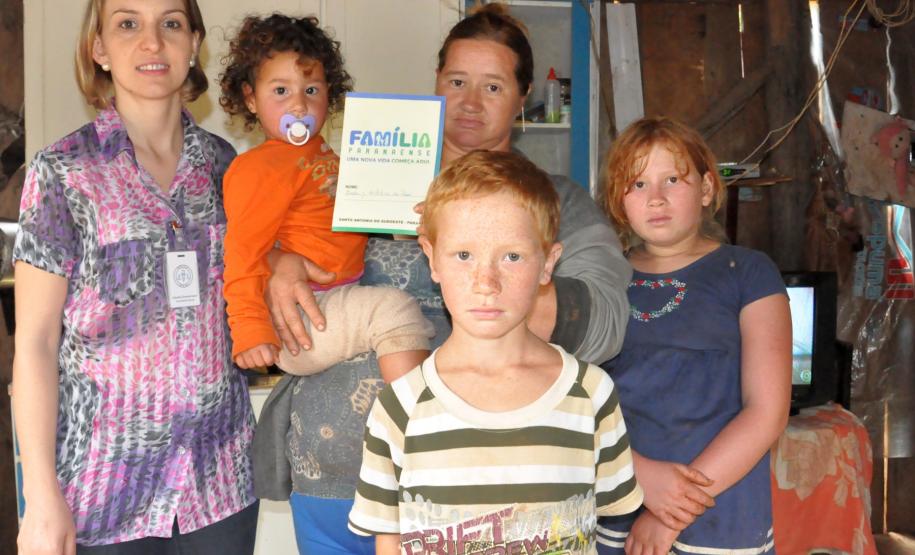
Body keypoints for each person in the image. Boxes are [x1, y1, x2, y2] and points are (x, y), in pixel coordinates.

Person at [257, 4, 639, 553]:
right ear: (435, 83)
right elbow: (262, 251)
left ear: (524, 96)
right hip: (330, 477)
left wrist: (484, 248)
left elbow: (607, 325)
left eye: (492, 86)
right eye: (456, 80)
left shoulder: (559, 202)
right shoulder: (361, 176)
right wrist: (281, 262)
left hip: (475, 488)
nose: (468, 101)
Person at [12, 0, 258, 553]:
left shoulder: (230, 169)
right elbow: (35, 342)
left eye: (170, 23)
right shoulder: (63, 172)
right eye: (128, 24)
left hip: (219, 486)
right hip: (100, 491)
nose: (152, 42)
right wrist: (41, 496)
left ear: (193, 42)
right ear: (99, 49)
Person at [348, 149, 644, 554]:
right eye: (464, 255)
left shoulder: (591, 394)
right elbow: (390, 541)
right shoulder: (401, 405)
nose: (486, 281)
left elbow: (604, 516)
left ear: (548, 263)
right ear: (432, 259)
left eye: (512, 256)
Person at [596, 117, 792, 554]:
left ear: (706, 189)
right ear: (618, 199)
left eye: (672, 179)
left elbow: (767, 411)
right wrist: (640, 475)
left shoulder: (749, 272)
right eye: (638, 184)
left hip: (723, 517)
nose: (657, 198)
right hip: (618, 508)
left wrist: (670, 514)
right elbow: (575, 401)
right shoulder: (601, 280)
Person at [218, 13, 432, 378]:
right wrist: (250, 328)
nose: (299, 106)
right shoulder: (258, 168)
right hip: (300, 312)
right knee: (394, 311)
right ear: (251, 98)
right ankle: (412, 424)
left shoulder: (326, 156)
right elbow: (241, 252)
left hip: (338, 296)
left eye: (312, 90)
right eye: (281, 91)